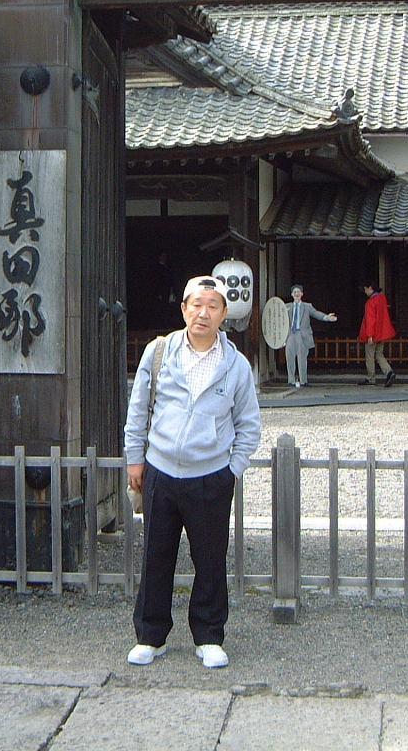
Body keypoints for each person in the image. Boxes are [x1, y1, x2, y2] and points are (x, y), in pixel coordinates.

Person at [124, 275, 261, 670]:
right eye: (196, 304)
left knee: (210, 559)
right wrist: (135, 459)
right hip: (161, 469)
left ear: (224, 314)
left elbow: (249, 424)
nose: (203, 313)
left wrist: (232, 470)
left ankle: (209, 636)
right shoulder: (159, 352)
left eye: (213, 306)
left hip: (211, 475)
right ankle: (150, 636)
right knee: (156, 555)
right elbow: (138, 409)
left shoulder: (236, 365)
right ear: (184, 309)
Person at [283, 284, 337, 388]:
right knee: (289, 358)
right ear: (292, 294)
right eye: (294, 292)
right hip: (290, 334)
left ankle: (303, 381)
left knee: (302, 358)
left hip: (302, 334)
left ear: (302, 294)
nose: (296, 294)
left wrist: (326, 317)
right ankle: (291, 380)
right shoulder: (286, 307)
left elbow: (316, 314)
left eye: (298, 292)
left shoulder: (307, 306)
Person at [357, 282, 397, 387]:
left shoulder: (370, 302)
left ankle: (371, 378)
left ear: (370, 288)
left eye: (365, 289)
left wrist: (369, 335)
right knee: (379, 354)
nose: (365, 292)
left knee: (370, 356)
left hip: (373, 334)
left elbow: (370, 320)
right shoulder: (382, 299)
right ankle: (389, 372)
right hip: (382, 332)